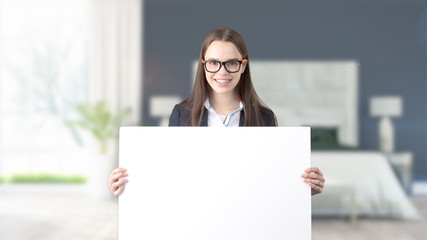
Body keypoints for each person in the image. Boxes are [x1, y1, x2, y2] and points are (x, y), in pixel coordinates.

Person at [108, 27, 325, 197]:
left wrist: (304, 188)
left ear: (243, 66)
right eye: (213, 62)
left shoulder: (264, 117)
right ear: (203, 65)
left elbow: (273, 181)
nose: (222, 72)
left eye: (231, 63)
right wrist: (126, 183)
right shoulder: (181, 114)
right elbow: (170, 175)